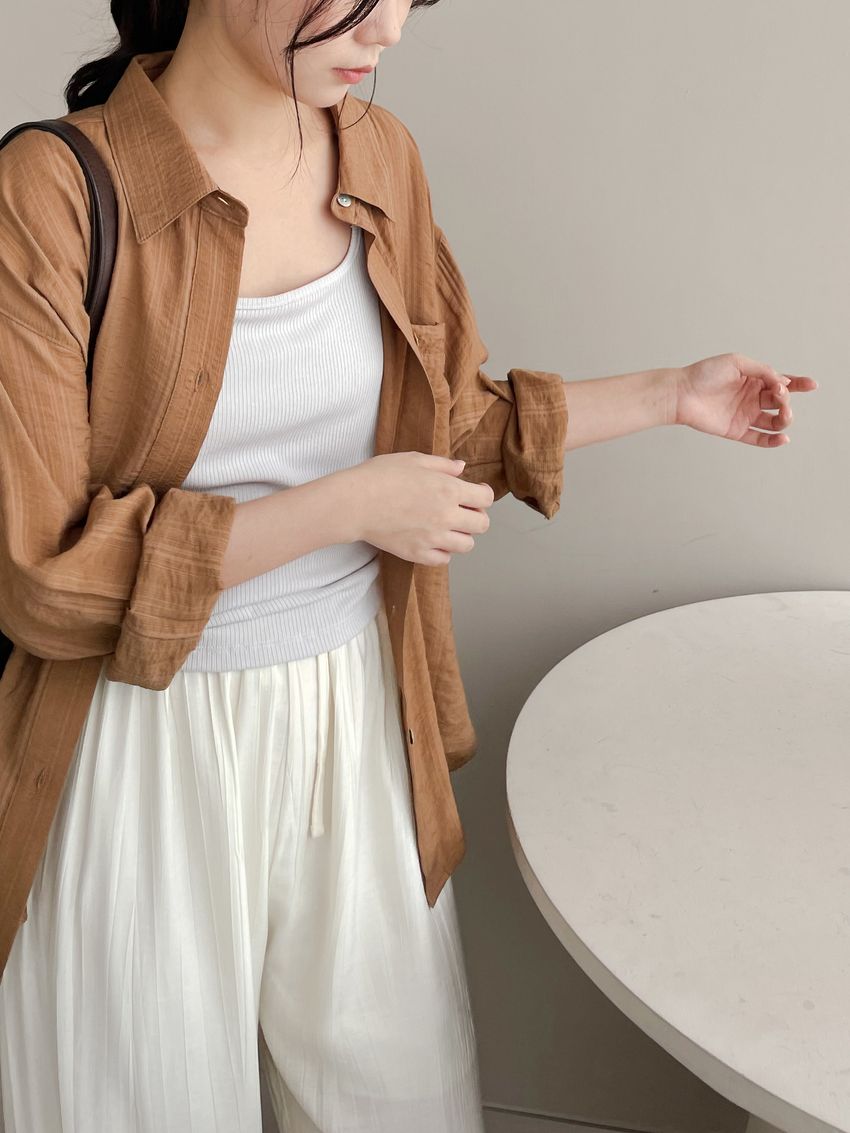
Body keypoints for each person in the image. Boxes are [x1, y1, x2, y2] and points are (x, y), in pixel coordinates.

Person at [0, 1, 818, 1131]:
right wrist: (344, 506)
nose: (386, 30)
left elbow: (441, 426)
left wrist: (670, 394)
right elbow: (46, 578)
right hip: (137, 744)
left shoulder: (377, 154)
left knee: (398, 1104)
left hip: (355, 719)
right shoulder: (50, 193)